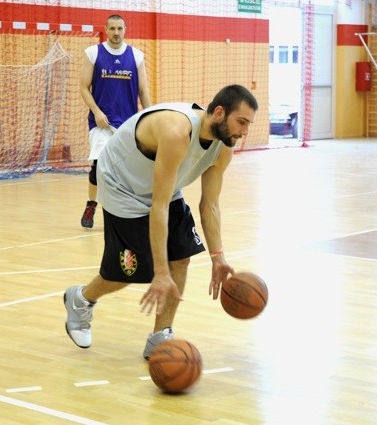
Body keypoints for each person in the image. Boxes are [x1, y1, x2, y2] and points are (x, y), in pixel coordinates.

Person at [63, 84, 259, 359]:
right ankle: (81, 298)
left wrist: (218, 257)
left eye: (249, 124)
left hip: (161, 186)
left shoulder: (222, 149)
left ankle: (160, 335)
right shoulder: (176, 131)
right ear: (218, 113)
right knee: (129, 273)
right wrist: (160, 271)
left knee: (181, 258)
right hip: (122, 185)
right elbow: (159, 204)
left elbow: (210, 205)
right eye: (241, 122)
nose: (245, 131)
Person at [80, 14, 152, 228]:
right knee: (98, 167)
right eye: (112, 28)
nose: (116, 32)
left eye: (119, 28)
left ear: (125, 29)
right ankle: (91, 205)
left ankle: (126, 209)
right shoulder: (93, 53)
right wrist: (96, 111)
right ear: (106, 29)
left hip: (128, 124)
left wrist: (151, 116)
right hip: (101, 123)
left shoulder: (136, 56)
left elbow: (143, 90)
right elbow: (84, 87)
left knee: (128, 169)